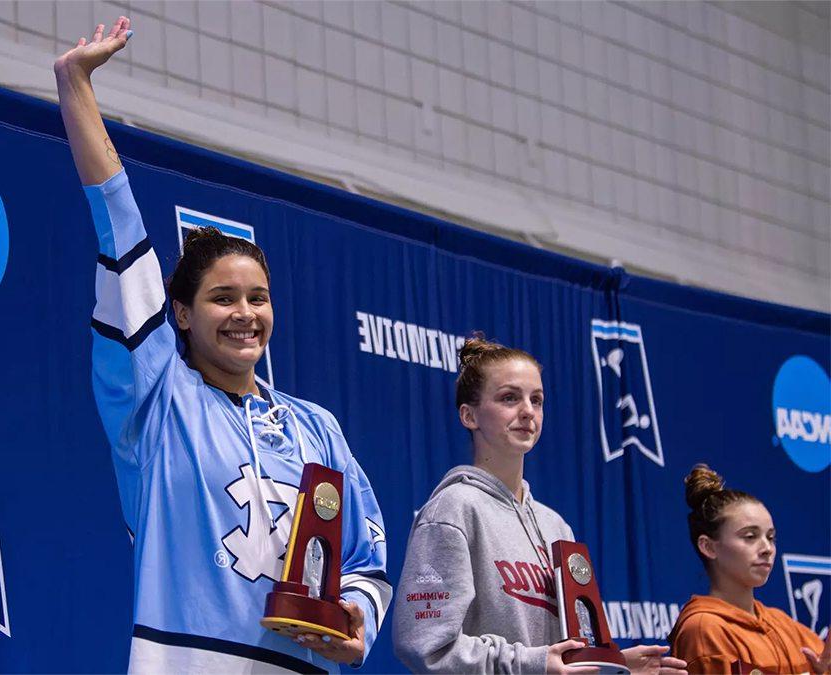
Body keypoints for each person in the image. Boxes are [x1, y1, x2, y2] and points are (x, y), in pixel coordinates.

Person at [54, 18, 391, 673]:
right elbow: (120, 226)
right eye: (223, 298)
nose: (245, 314)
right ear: (179, 312)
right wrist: (76, 88)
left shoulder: (316, 428)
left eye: (258, 297)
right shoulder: (155, 400)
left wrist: (355, 615)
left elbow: (364, 560)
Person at [393, 335, 687, 674]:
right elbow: (426, 645)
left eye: (537, 400)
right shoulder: (454, 509)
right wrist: (530, 663)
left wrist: (614, 665)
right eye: (509, 398)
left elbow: (563, 657)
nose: (527, 412)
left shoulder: (555, 526)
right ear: (469, 415)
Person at [668, 464, 831, 674]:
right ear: (708, 546)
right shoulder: (705, 629)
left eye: (771, 537)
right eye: (750, 536)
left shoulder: (783, 624)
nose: (767, 548)